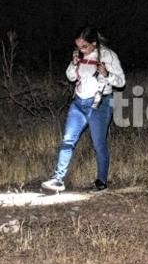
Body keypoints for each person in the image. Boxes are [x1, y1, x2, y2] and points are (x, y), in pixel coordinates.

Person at [42, 27, 126, 193]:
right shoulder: (80, 56)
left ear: (94, 43)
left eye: (84, 47)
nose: (81, 50)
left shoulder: (108, 55)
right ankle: (58, 179)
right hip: (79, 103)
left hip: (100, 104)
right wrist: (74, 64)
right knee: (67, 140)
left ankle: (101, 182)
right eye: (78, 47)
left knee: (98, 144)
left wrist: (107, 74)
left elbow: (121, 82)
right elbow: (71, 77)